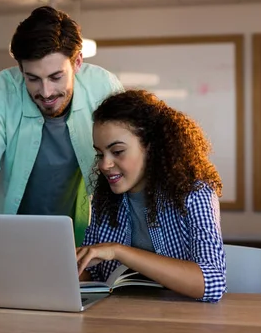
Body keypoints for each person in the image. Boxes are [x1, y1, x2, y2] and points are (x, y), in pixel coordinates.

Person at [0, 6, 123, 281]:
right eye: (33, 79)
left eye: (56, 77)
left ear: (77, 62)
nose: (46, 92)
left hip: (82, 238)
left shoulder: (103, 87)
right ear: (20, 70)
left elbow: (126, 167)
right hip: (7, 237)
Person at [75, 89, 226, 302]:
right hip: (121, 322)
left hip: (185, 324)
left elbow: (212, 283)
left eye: (117, 152)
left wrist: (119, 251)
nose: (104, 165)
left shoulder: (195, 193)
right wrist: (73, 268)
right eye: (100, 154)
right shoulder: (104, 198)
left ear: (151, 147)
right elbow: (95, 278)